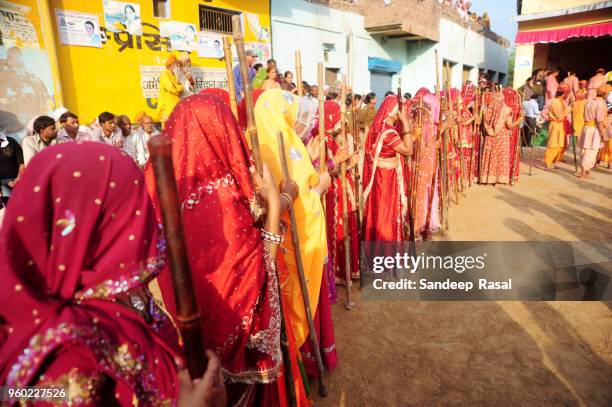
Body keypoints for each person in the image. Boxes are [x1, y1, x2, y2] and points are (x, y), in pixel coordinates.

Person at [0, 143, 227, 406]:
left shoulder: (126, 298)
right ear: (95, 225)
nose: (145, 226)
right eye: (133, 210)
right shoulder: (61, 361)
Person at [144, 93, 309, 406]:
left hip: (198, 344)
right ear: (221, 132)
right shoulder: (222, 198)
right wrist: (275, 204)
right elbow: (259, 272)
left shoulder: (168, 191)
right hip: (238, 352)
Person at [252, 89, 332, 359]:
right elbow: (297, 200)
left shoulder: (265, 142)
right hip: (295, 243)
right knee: (298, 305)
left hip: (285, 243)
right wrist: (319, 188)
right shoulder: (278, 144)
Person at [362, 94, 414, 241]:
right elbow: (408, 150)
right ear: (394, 111)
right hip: (387, 179)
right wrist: (406, 123)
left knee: (378, 214)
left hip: (378, 176)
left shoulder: (378, 127)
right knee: (386, 215)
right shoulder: (389, 132)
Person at [480, 93, 522, 184]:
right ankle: (499, 178)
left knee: (491, 157)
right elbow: (510, 125)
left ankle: (487, 178)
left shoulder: (487, 111)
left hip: (489, 138)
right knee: (499, 158)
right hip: (502, 138)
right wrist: (519, 119)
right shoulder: (505, 110)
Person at [578, 85, 609, 178]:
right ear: (604, 94)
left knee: (585, 149)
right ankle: (583, 172)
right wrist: (603, 134)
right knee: (591, 151)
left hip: (586, 127)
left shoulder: (589, 101)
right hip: (594, 129)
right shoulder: (601, 104)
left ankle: (586, 171)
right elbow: (599, 121)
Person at [544, 90, 571, 169]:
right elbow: (559, 115)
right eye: (565, 94)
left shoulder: (560, 101)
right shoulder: (556, 102)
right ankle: (548, 163)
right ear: (562, 95)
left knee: (559, 144)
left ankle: (552, 162)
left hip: (560, 125)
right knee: (553, 144)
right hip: (556, 124)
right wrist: (569, 107)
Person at [157, 55, 184, 126]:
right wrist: (178, 89)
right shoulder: (165, 73)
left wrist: (178, 88)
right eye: (176, 64)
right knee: (167, 128)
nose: (177, 66)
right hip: (167, 107)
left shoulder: (175, 76)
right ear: (171, 64)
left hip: (176, 106)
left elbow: (181, 89)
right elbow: (170, 88)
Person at [0, 130, 24, 206]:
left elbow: (22, 163)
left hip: (17, 180)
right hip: (1, 184)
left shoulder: (11, 141)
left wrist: (19, 178)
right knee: (10, 205)